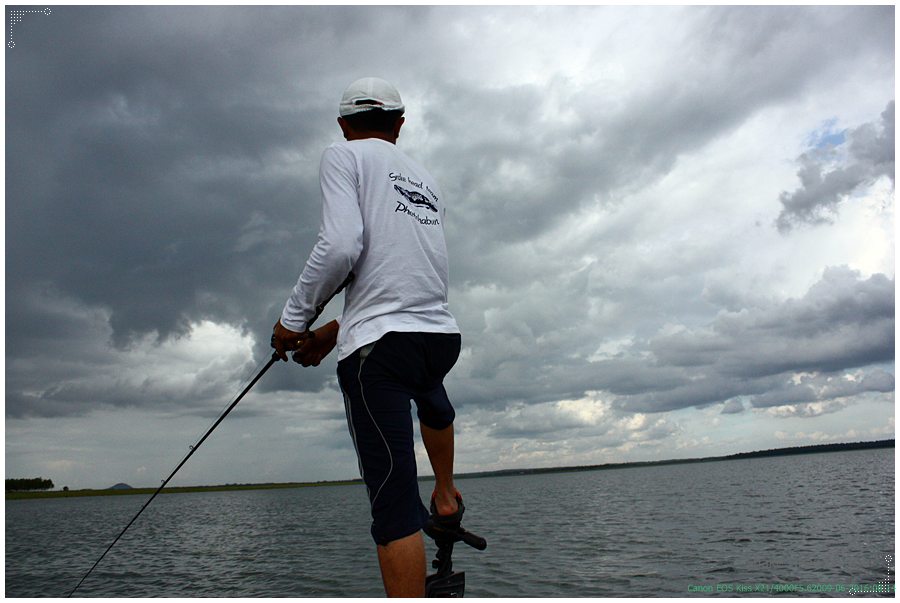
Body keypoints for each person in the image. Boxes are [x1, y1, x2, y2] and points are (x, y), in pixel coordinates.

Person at [271, 77, 465, 597]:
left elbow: (341, 246)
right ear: (399, 125)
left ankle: (430, 507)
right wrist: (336, 329)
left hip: (382, 351)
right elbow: (397, 273)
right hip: (439, 338)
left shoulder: (343, 156)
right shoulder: (427, 181)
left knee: (394, 504)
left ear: (343, 125)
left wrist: (294, 321)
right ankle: (446, 495)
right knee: (431, 395)